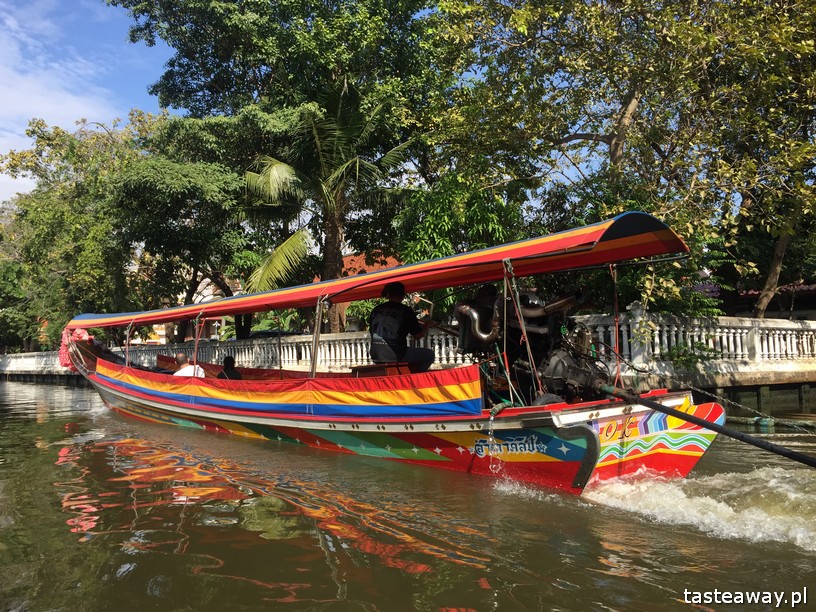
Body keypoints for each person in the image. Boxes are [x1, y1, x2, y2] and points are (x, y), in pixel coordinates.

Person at [369, 281, 435, 371]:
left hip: (376, 354)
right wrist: (427, 325)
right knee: (429, 355)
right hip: (397, 354)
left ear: (388, 294)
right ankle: (413, 379)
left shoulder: (376, 310)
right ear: (403, 295)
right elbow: (418, 335)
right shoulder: (406, 311)